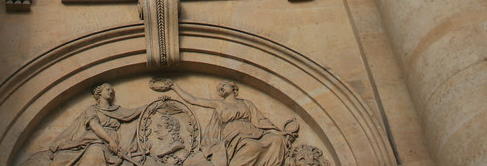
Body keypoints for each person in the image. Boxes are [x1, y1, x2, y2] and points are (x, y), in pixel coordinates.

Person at [162, 80, 294, 166]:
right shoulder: (219, 104)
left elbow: (261, 120)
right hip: (234, 135)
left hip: (252, 131)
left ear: (233, 87)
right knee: (252, 146)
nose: (220, 88)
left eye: (223, 85)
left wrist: (278, 131)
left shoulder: (246, 103)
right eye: (219, 88)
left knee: (277, 139)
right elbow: (193, 99)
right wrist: (174, 87)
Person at [25, 83, 143, 165]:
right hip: (96, 140)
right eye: (108, 89)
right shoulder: (92, 109)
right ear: (99, 92)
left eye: (112, 90)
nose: (111, 91)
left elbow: (133, 113)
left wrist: (155, 103)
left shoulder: (117, 110)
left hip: (114, 144)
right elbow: (95, 126)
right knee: (96, 150)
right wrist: (110, 141)